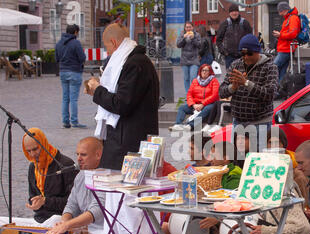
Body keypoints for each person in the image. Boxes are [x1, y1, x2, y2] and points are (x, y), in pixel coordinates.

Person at [86, 23, 159, 171]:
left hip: (129, 145)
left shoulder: (133, 64)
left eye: (107, 48)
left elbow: (122, 103)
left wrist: (98, 90)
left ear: (113, 42)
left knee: (123, 191)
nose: (108, 53)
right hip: (130, 141)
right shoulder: (136, 61)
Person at [44, 137, 105, 234]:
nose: (78, 159)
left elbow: (96, 212)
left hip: (100, 228)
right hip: (81, 226)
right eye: (77, 154)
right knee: (55, 220)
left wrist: (67, 225)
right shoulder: (80, 176)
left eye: (83, 155)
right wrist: (64, 222)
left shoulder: (105, 176)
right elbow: (71, 205)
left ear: (98, 155)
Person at [219, 34, 278, 151]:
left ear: (257, 52)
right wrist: (233, 87)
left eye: (249, 53)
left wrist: (246, 83)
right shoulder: (235, 65)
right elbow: (221, 92)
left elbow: (270, 94)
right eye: (242, 53)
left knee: (259, 160)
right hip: (238, 122)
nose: (245, 57)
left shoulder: (270, 67)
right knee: (237, 159)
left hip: (260, 123)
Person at [23, 128, 78, 225]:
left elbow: (73, 202)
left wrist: (45, 201)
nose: (32, 154)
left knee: (54, 220)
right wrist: (35, 203)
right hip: (40, 219)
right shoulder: (33, 166)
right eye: (28, 151)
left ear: (43, 144)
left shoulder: (65, 164)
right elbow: (32, 195)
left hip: (61, 219)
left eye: (35, 149)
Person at [55, 24, 87, 129]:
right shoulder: (76, 43)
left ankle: (65, 121)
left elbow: (56, 58)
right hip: (74, 72)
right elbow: (82, 57)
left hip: (63, 71)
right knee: (73, 99)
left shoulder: (59, 43)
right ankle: (74, 121)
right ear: (75, 32)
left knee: (65, 98)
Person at [171, 64, 219, 131]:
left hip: (207, 104)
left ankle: (191, 125)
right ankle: (178, 125)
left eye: (206, 70)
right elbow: (189, 94)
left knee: (208, 109)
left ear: (210, 72)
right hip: (195, 105)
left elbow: (215, 95)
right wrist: (193, 104)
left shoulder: (214, 81)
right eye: (202, 70)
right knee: (182, 108)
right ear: (200, 71)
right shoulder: (195, 81)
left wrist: (202, 104)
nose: (204, 72)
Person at [216, 4, 253, 69]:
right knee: (230, 77)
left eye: (236, 11)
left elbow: (250, 38)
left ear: (238, 12)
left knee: (243, 76)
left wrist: (247, 51)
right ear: (229, 13)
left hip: (243, 55)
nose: (234, 13)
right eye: (232, 11)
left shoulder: (244, 23)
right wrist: (224, 52)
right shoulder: (225, 23)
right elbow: (218, 40)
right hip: (229, 56)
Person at [272, 1, 301, 82]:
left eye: (280, 11)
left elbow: (293, 34)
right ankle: (279, 90)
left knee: (274, 68)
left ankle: (276, 89)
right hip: (285, 48)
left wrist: (280, 35)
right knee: (282, 72)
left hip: (286, 49)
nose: (279, 14)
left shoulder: (292, 18)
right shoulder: (289, 18)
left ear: (284, 10)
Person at [177, 21, 201, 93]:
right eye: (187, 27)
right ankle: (188, 93)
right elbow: (178, 45)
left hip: (194, 60)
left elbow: (199, 45)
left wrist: (193, 39)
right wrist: (184, 38)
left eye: (190, 27)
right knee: (186, 78)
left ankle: (194, 92)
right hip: (184, 60)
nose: (188, 29)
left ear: (192, 27)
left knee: (193, 77)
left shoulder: (197, 35)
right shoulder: (182, 34)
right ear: (185, 28)